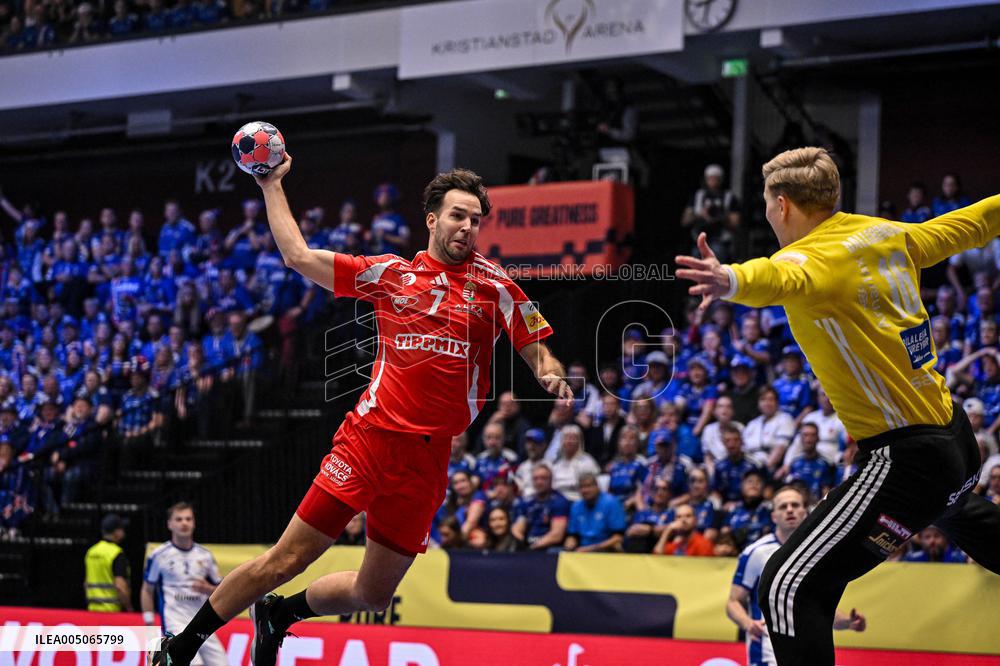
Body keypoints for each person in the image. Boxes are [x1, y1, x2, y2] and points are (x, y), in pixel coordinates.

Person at [151, 160, 572, 666]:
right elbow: (298, 256)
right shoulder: (391, 275)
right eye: (458, 215)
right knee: (286, 558)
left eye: (476, 219)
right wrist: (272, 183)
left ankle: (281, 614)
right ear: (432, 220)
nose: (468, 227)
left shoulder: (497, 287)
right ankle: (181, 647)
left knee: (374, 595)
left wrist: (549, 371)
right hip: (369, 441)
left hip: (428, 460)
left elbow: (537, 347)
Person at [677, 146, 1000, 665]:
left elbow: (774, 278)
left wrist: (729, 279)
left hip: (906, 458)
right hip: (956, 439)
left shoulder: (807, 259)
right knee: (957, 511)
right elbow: (974, 223)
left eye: (765, 202)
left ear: (781, 206)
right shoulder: (888, 234)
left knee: (786, 584)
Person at [727, 486, 867, 666]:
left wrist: (848, 622)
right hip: (766, 656)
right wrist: (748, 624)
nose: (790, 510)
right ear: (773, 516)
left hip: (808, 654)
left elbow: (818, 608)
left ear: (805, 512)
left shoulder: (819, 553)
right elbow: (733, 602)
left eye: (795, 505)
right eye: (783, 507)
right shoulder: (756, 552)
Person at [142, 503, 225, 666]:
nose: (184, 523)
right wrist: (149, 622)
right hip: (175, 620)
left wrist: (207, 588)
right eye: (179, 519)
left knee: (222, 663)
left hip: (202, 619)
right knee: (194, 664)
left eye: (188, 519)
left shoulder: (205, 555)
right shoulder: (159, 555)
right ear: (170, 524)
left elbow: (223, 590)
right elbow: (147, 589)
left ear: (194, 523)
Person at [511, 464, 569, 551]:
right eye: (536, 479)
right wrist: (521, 542)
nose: (539, 482)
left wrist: (531, 548)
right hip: (528, 545)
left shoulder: (559, 501)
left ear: (551, 480)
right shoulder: (527, 501)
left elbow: (556, 535)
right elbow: (518, 527)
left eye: (543, 478)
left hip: (548, 548)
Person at [564, 474, 626, 553]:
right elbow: (573, 535)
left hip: (606, 549)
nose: (585, 490)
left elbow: (618, 537)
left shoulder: (611, 503)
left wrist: (591, 549)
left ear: (597, 487)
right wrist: (569, 546)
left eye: (589, 486)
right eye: (582, 487)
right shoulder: (576, 506)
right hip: (582, 549)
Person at [84, 513, 132, 612]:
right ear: (116, 532)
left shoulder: (91, 552)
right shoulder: (116, 553)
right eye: (121, 528)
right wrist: (128, 607)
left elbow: (86, 583)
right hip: (111, 612)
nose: (123, 531)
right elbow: (120, 586)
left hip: (92, 610)